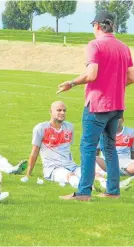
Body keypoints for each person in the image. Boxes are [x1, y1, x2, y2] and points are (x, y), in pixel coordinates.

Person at [57, 11, 134, 200]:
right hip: (117, 106)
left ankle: (83, 191)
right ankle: (112, 191)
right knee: (110, 148)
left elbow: (92, 74)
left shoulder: (95, 45)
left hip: (97, 105)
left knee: (88, 147)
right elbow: (131, 76)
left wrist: (72, 83)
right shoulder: (124, 47)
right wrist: (114, 86)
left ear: (97, 26)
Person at [21, 101, 130, 191]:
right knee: (70, 176)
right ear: (50, 112)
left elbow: (67, 150)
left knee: (94, 174)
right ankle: (87, 189)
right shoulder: (41, 128)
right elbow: (34, 151)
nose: (62, 113)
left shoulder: (69, 127)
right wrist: (28, 174)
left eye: (64, 110)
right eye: (59, 110)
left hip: (71, 165)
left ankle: (109, 187)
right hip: (53, 168)